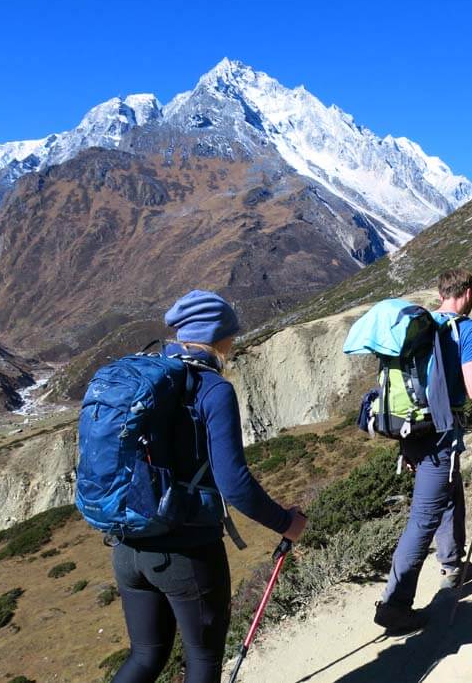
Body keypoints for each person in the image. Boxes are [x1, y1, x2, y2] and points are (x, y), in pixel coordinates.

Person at [110, 290, 307, 683]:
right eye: (230, 335)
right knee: (201, 661)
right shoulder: (212, 389)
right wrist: (286, 522)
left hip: (128, 546)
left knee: (146, 657)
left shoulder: (142, 377)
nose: (234, 343)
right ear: (218, 336)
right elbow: (234, 484)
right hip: (187, 554)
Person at [373, 269, 472, 634]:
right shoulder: (468, 330)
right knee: (423, 518)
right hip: (441, 433)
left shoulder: (417, 329)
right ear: (468, 292)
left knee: (450, 492)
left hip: (412, 429)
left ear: (441, 293)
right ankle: (395, 604)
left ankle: (453, 563)